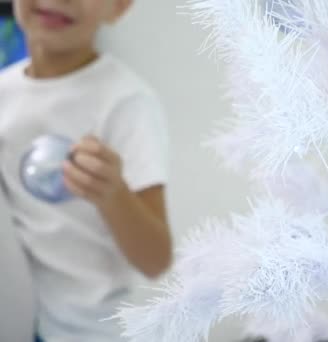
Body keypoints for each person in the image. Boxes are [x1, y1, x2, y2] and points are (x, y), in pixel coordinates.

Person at [0, 0, 173, 341]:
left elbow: (156, 259)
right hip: (26, 320)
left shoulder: (126, 102)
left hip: (98, 331)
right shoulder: (4, 93)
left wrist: (113, 195)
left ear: (119, 7)